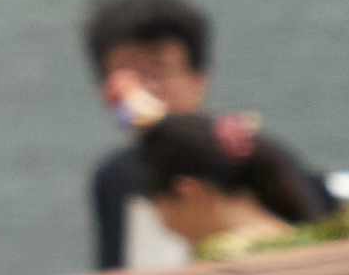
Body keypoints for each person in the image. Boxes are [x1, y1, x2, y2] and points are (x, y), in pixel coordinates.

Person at [80, 0, 333, 272]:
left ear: (200, 77)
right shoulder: (113, 178)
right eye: (127, 78)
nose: (145, 91)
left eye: (159, 72)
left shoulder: (253, 156)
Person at [126, 107, 334, 260]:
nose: (163, 223)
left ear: (189, 192)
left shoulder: (222, 263)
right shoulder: (309, 243)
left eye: (158, 205)